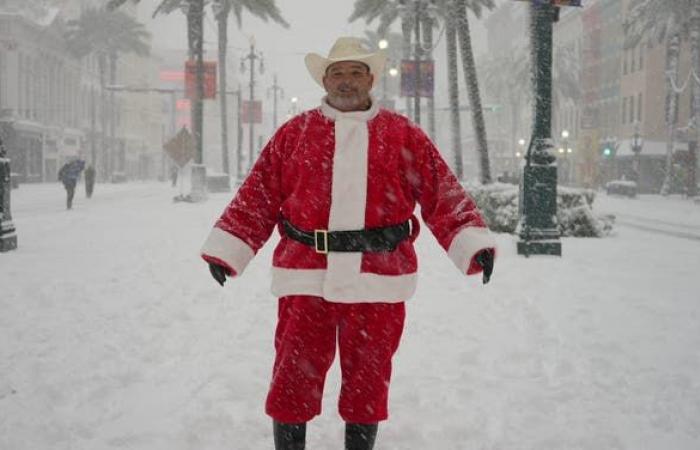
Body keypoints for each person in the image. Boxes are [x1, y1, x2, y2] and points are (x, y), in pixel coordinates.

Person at [200, 37, 496, 450]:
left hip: (379, 277)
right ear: (324, 79)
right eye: (337, 72)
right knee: (292, 378)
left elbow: (440, 192)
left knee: (368, 381)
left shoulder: (402, 134)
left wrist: (471, 240)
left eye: (356, 72)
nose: (346, 81)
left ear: (370, 79)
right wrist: (229, 247)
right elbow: (259, 194)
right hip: (305, 273)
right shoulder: (294, 134)